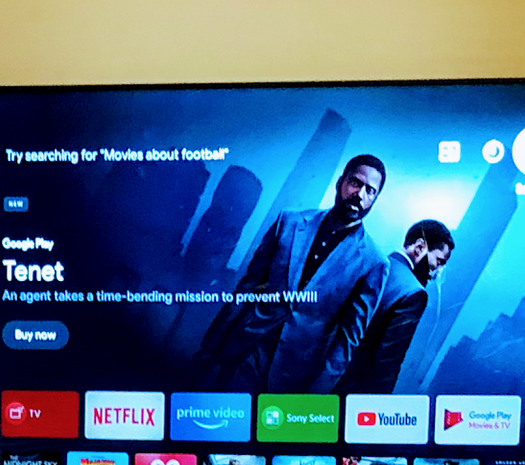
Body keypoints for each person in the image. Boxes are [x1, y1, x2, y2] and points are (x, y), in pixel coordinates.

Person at [195, 156, 388, 392]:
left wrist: (316, 396)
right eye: (355, 183)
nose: (360, 194)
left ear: (375, 199)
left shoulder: (374, 262)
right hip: (246, 349)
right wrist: (210, 347)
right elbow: (246, 289)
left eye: (370, 191)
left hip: (295, 375)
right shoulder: (289, 221)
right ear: (340, 183)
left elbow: (347, 341)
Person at [328, 219, 455, 396]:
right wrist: (381, 407)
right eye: (439, 262)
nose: (437, 273)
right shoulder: (413, 293)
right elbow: (387, 363)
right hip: (352, 393)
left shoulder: (370, 263)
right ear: (419, 248)